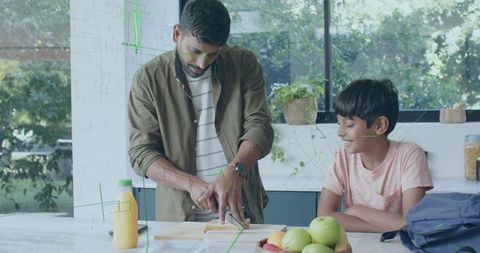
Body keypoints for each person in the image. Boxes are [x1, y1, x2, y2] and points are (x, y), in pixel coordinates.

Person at [127, 0, 273, 224]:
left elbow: (260, 127)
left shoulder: (244, 64)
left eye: (212, 55)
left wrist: (235, 170)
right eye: (194, 51)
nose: (202, 63)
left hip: (242, 215)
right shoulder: (148, 79)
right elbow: (142, 153)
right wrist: (190, 183)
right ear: (177, 34)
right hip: (178, 222)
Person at [317, 79, 433, 232]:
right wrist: (388, 226)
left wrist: (357, 211)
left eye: (350, 125)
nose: (340, 132)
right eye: (339, 123)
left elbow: (413, 225)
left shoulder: (410, 155)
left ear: (379, 126)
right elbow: (323, 219)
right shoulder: (342, 156)